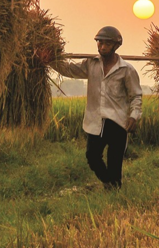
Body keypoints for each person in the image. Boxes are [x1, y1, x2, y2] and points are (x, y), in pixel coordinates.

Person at [51, 26, 143, 190]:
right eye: (99, 43)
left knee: (115, 162)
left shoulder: (126, 70)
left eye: (106, 43)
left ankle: (114, 189)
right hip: (95, 121)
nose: (101, 46)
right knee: (92, 157)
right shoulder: (91, 64)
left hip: (118, 122)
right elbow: (69, 70)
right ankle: (109, 183)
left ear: (116, 45)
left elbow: (135, 96)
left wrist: (133, 116)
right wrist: (51, 60)